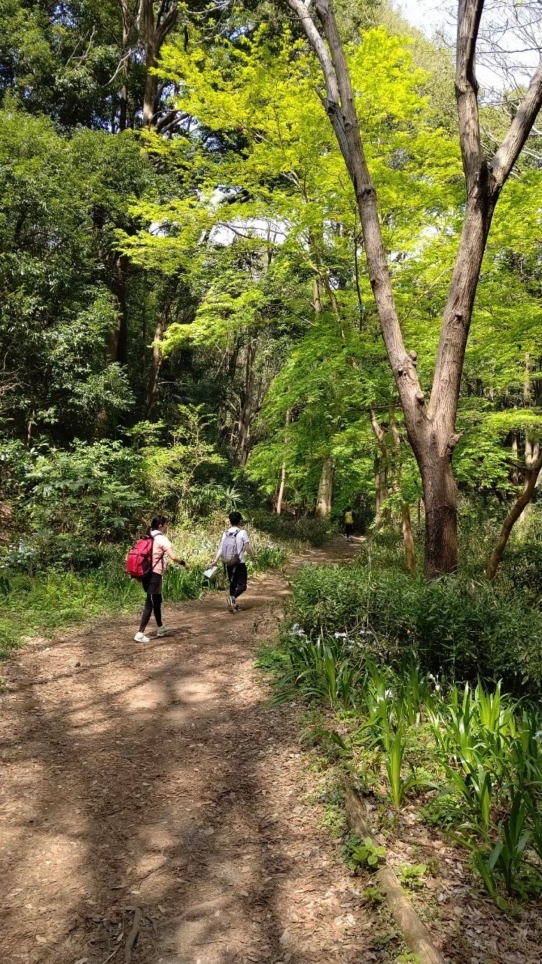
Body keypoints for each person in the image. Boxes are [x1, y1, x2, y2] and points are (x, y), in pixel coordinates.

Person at [134, 515, 188, 643]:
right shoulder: (161, 539)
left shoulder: (147, 536)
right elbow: (173, 557)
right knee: (150, 602)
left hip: (146, 573)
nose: (167, 526)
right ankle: (140, 633)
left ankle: (160, 628)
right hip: (154, 574)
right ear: (160, 526)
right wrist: (184, 563)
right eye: (165, 524)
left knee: (156, 600)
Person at [212, 511, 254, 612]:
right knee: (242, 585)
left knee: (232, 583)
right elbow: (247, 547)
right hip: (239, 562)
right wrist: (252, 556)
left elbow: (221, 548)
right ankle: (232, 598)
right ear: (240, 521)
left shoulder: (225, 533)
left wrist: (215, 560)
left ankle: (233, 604)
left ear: (230, 521)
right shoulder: (242, 532)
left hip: (229, 562)